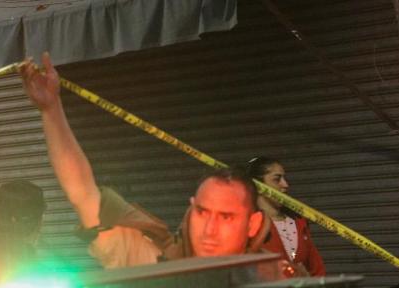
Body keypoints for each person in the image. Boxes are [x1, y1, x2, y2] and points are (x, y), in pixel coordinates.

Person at [20, 54, 266, 270]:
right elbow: (82, 192)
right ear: (191, 209)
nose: (210, 230)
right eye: (202, 212)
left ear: (253, 224)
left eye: (226, 217)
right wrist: (51, 110)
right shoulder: (153, 260)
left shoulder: (272, 278)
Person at [246, 156, 326, 277]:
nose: (285, 185)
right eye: (277, 179)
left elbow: (317, 269)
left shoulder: (299, 222)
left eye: (284, 178)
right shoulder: (248, 225)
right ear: (259, 186)